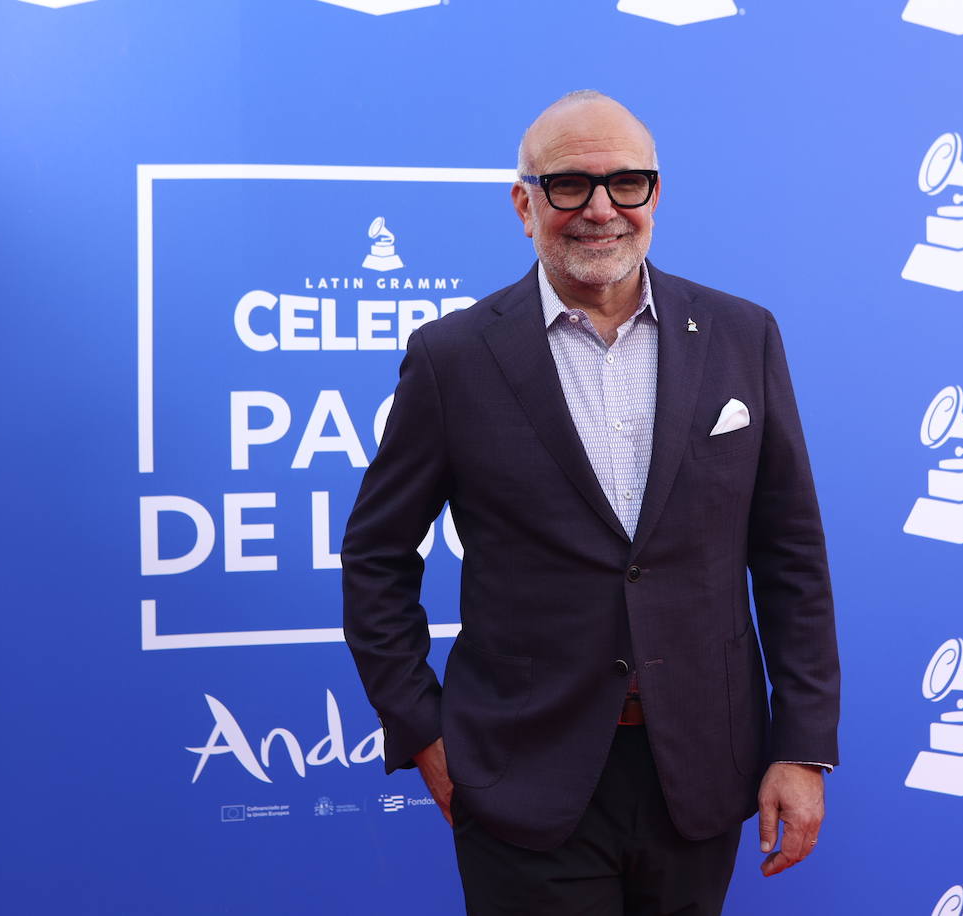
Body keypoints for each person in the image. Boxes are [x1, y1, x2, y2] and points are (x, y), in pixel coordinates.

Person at [342, 90, 840, 915]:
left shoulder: (741, 336)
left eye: (628, 184)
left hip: (705, 771)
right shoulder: (453, 359)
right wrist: (426, 732)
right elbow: (375, 557)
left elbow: (791, 557)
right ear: (524, 203)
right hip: (522, 774)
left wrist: (804, 745)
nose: (601, 209)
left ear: (656, 195)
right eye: (569, 184)